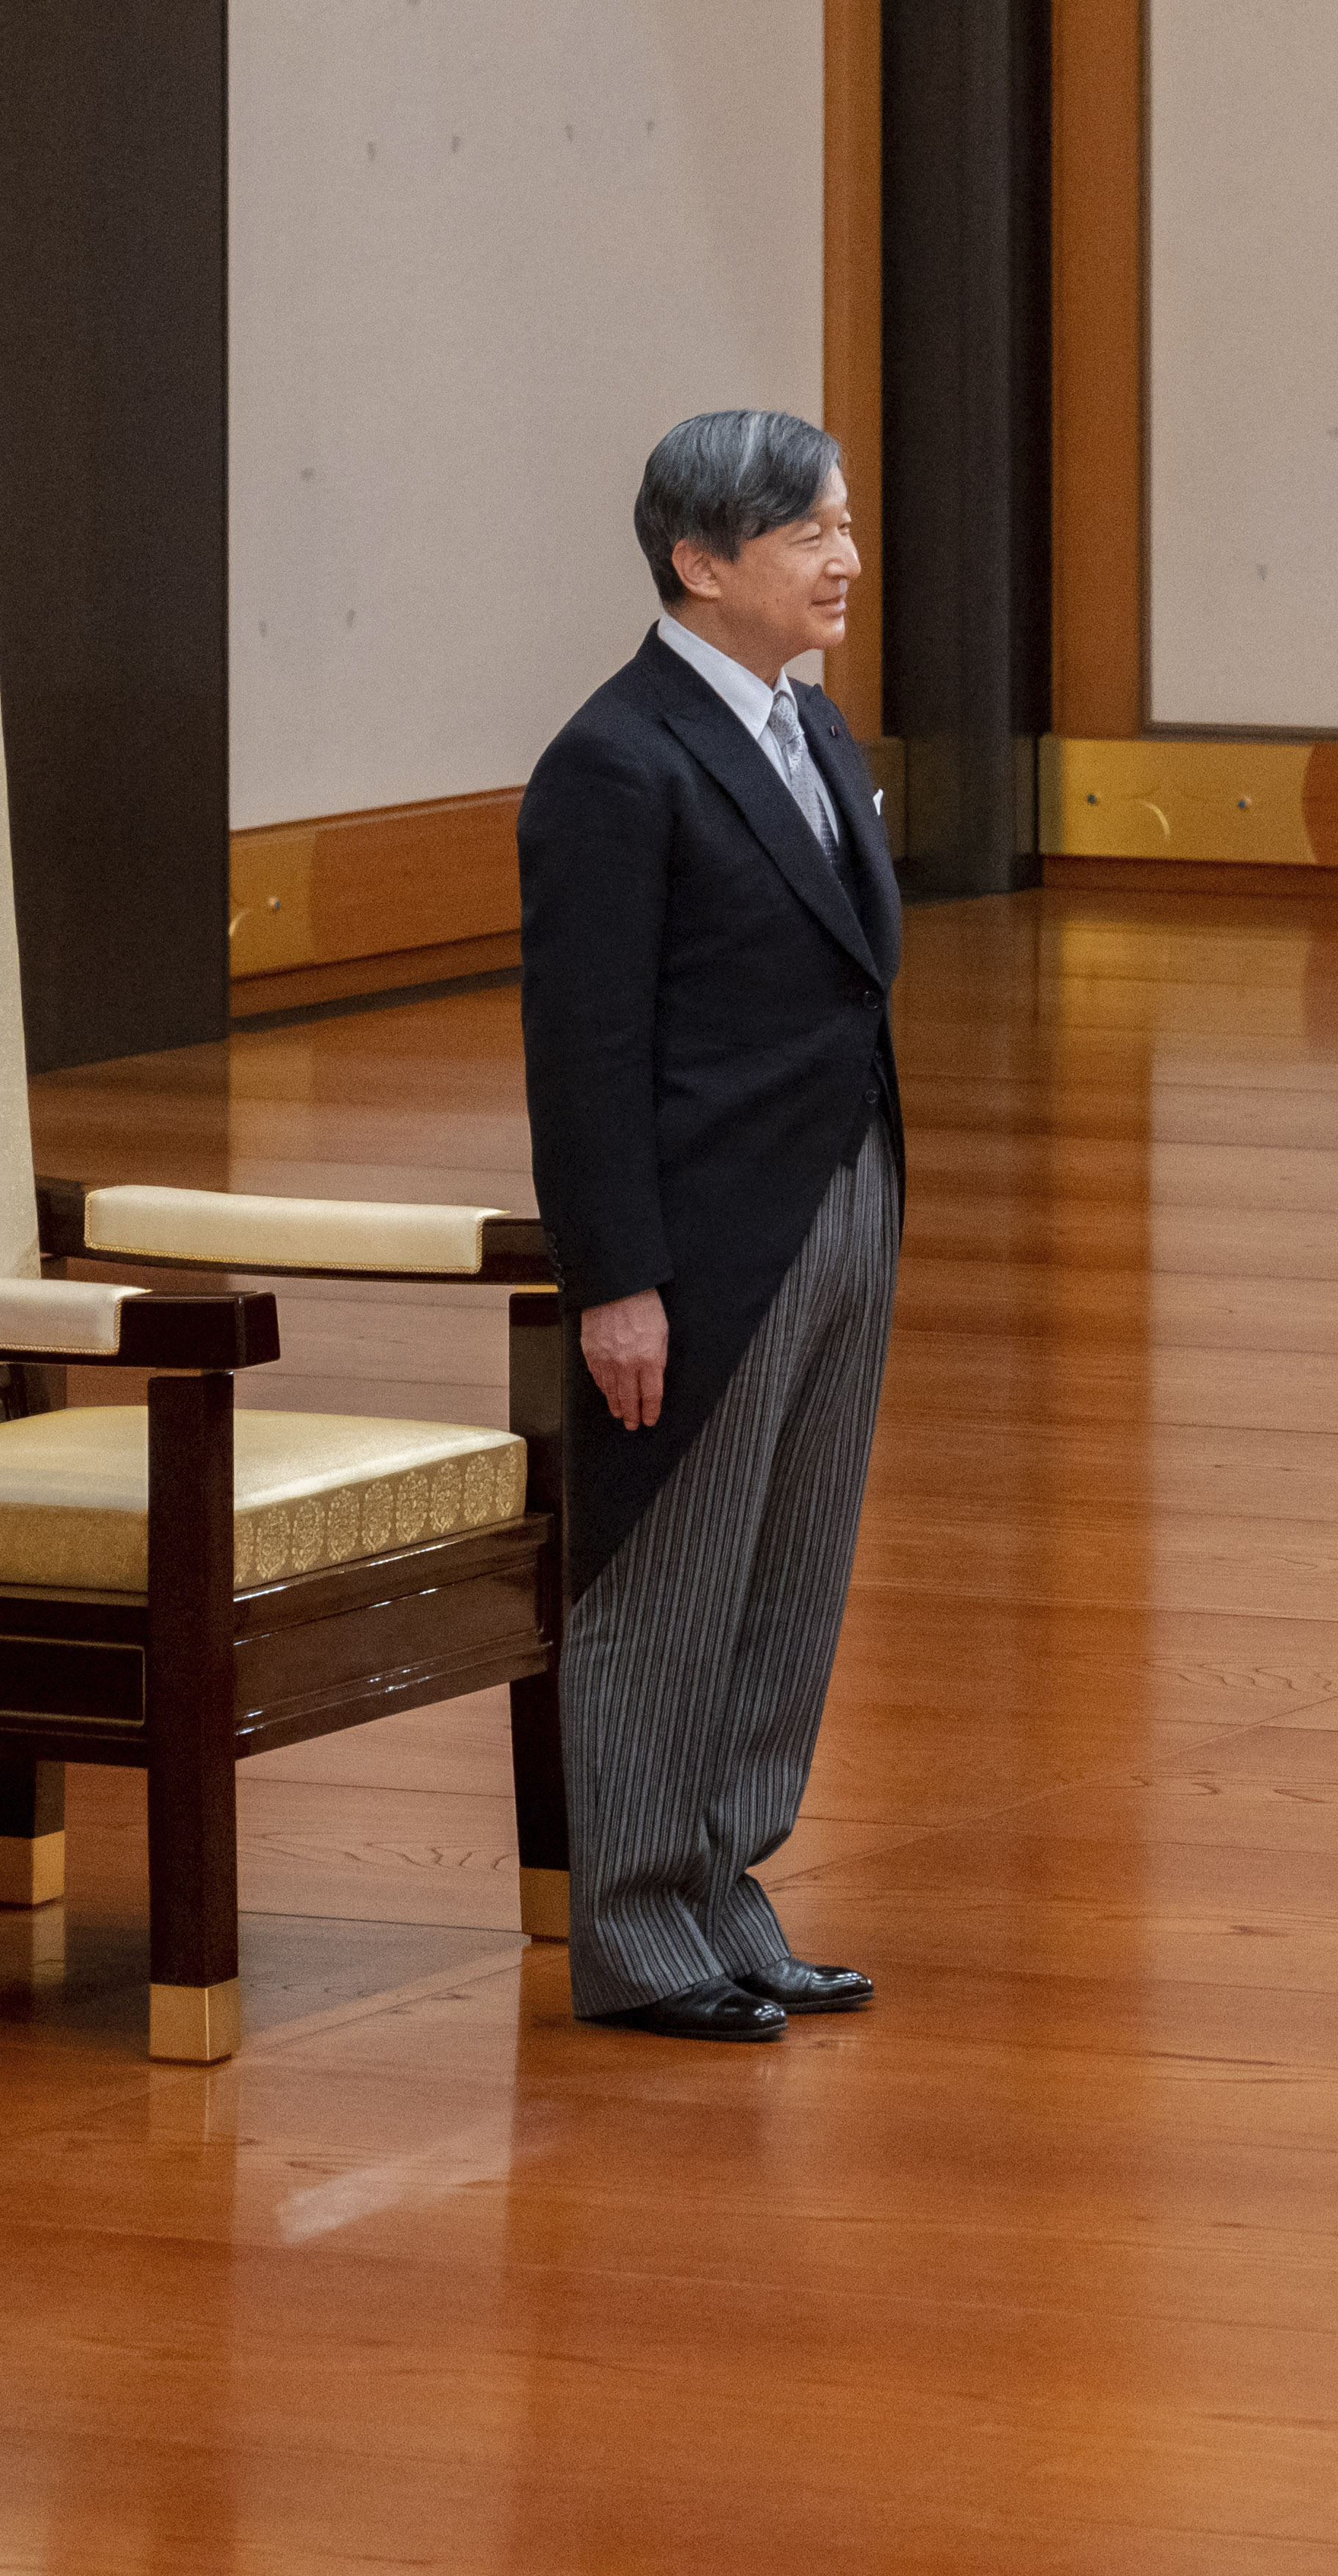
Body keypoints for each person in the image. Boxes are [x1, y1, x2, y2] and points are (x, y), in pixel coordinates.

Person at [516, 409, 909, 2044]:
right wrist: (617, 1280)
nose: (845, 559)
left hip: (839, 1193)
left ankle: (723, 1893)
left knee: (787, 1572)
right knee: (670, 1575)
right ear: (699, 560)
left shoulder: (805, 723)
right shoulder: (615, 762)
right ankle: (632, 1928)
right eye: (809, 532)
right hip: (700, 1238)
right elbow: (584, 1051)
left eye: (842, 524)